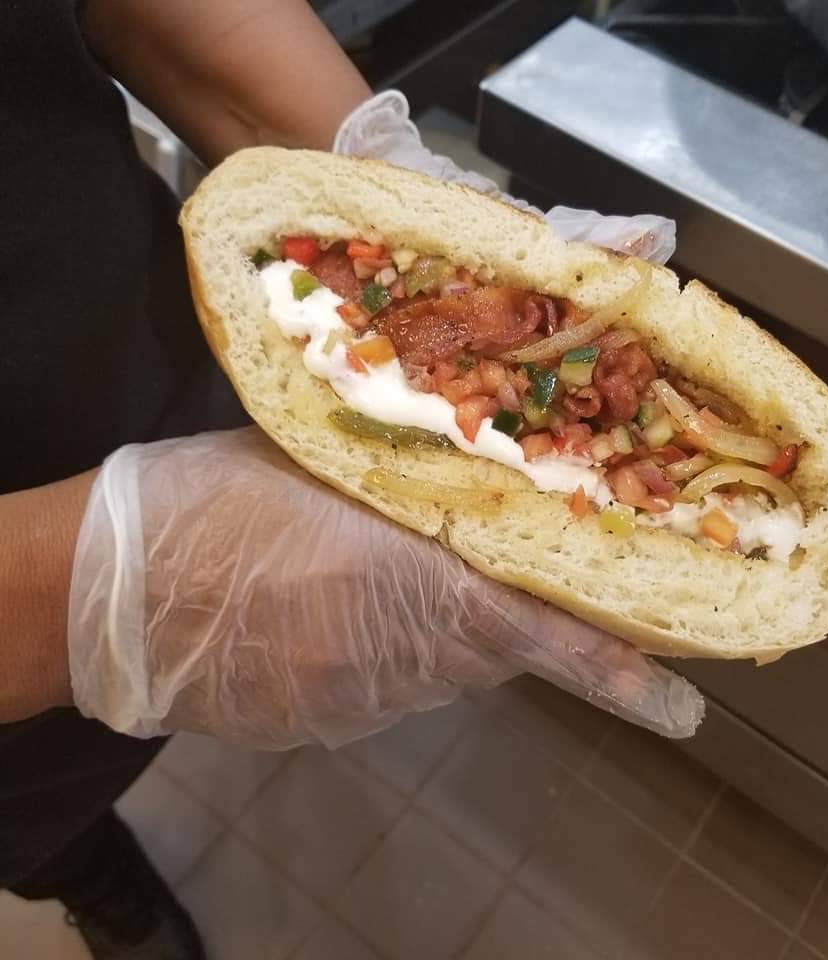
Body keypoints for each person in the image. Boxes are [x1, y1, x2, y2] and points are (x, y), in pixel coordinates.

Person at [0, 3, 702, 958]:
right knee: (38, 820)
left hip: (172, 363)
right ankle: (94, 882)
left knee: (115, 757)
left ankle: (90, 861)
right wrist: (67, 600)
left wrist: (371, 161)